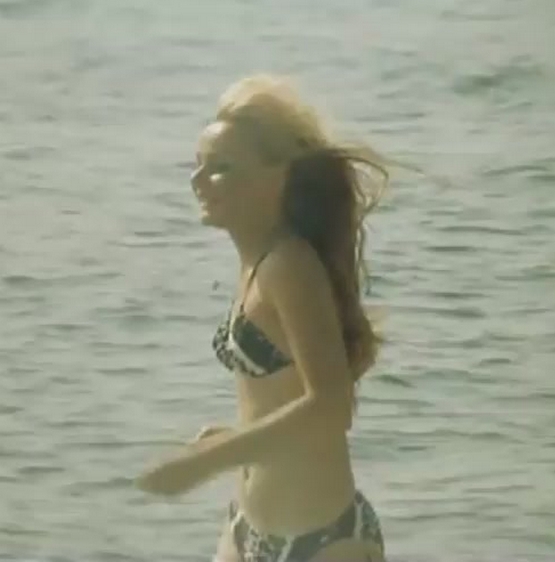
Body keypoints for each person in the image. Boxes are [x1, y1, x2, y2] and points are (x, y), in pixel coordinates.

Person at [137, 74, 390, 562]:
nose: (197, 181)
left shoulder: (289, 265)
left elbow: (331, 406)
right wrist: (231, 440)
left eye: (220, 168)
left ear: (278, 177)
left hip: (323, 540)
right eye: (197, 165)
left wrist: (206, 462)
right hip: (247, 527)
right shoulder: (255, 260)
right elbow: (279, 392)